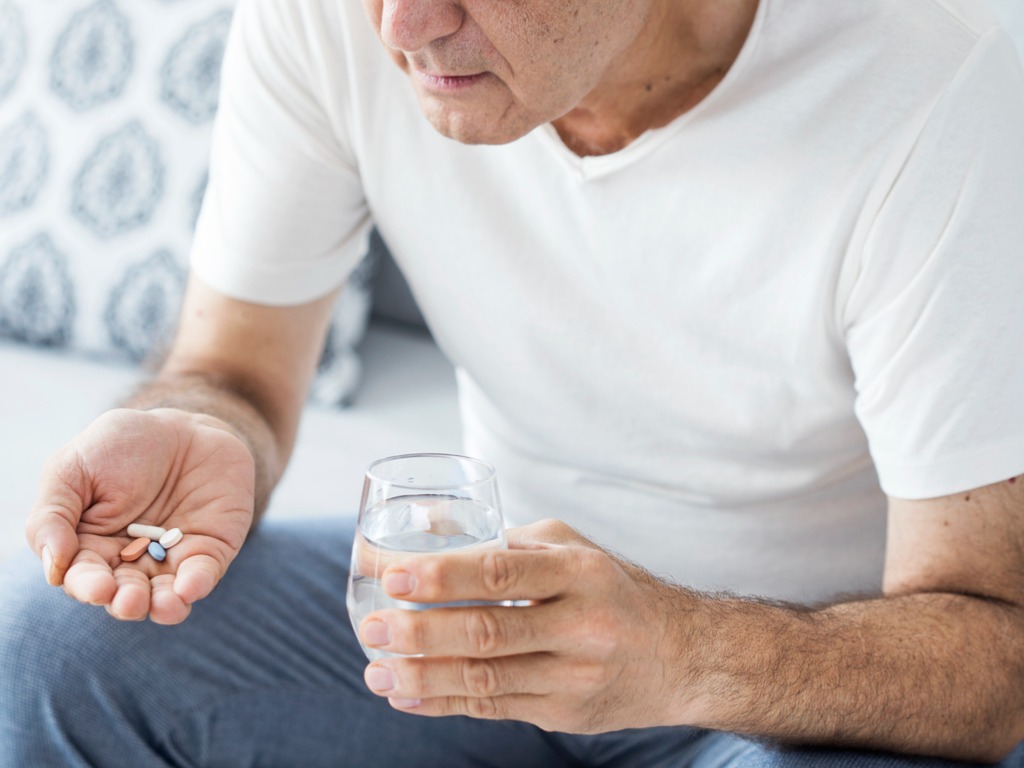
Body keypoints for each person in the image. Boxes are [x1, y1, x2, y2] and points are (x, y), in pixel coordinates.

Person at [3, 0, 1024, 765]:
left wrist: (674, 652)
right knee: (60, 655)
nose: (404, 24)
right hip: (473, 622)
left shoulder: (942, 89)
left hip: (778, 689)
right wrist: (197, 422)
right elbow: (228, 369)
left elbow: (998, 660)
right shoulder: (330, 18)